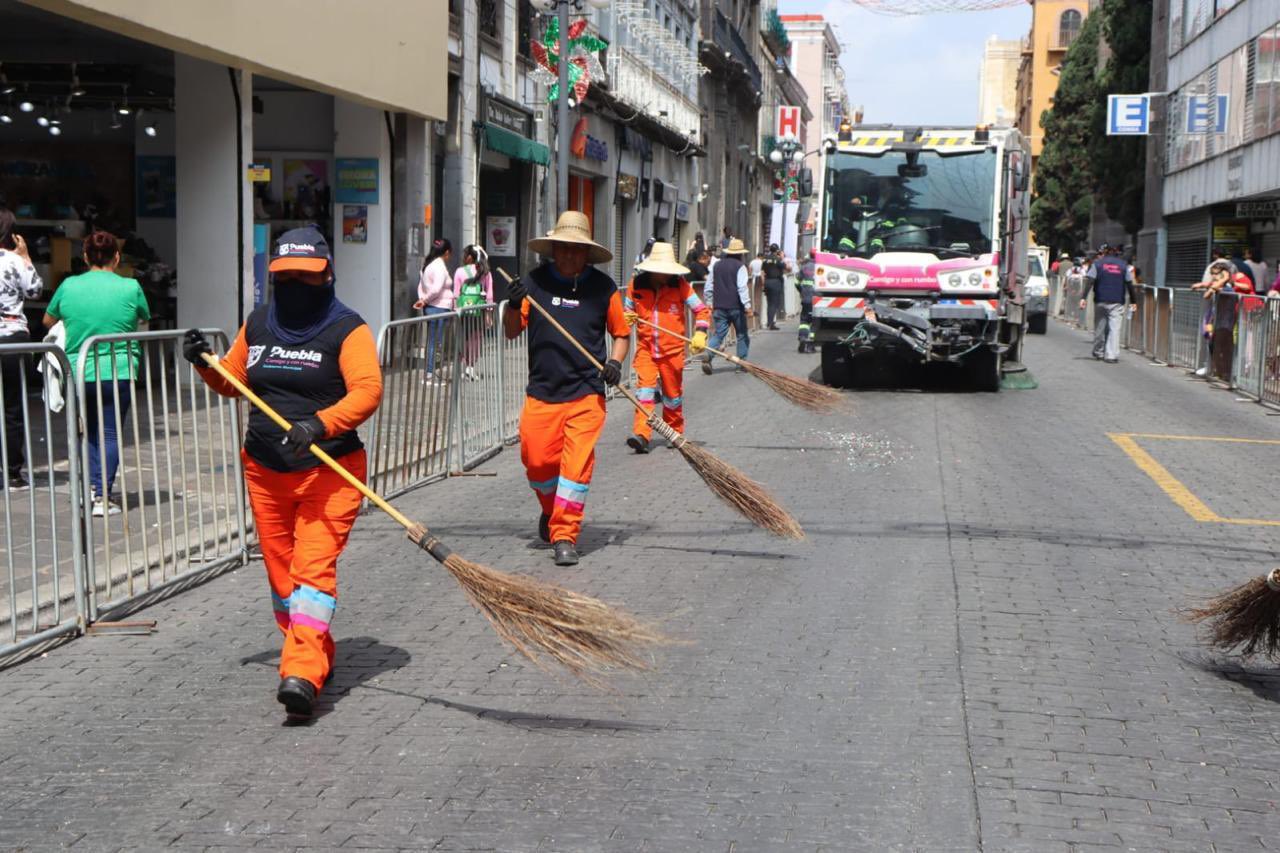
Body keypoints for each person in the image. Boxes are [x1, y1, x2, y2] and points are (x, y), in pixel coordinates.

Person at [182, 227, 382, 720]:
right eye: (285, 275)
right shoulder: (260, 323)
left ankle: (300, 674)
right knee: (283, 580)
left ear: (327, 274)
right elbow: (236, 381)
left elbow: (367, 390)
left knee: (312, 571)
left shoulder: (347, 329)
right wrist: (205, 365)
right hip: (265, 471)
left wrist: (319, 424)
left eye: (304, 275)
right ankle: (316, 653)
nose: (294, 283)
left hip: (330, 471)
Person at [502, 211, 630, 568]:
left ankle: (564, 535)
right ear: (553, 250)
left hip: (587, 395)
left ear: (586, 253)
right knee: (538, 463)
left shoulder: (603, 289)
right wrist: (513, 304)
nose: (569, 256)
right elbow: (512, 330)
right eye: (563, 249)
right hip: (542, 393)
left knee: (575, 469)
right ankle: (550, 509)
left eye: (576, 250)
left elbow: (621, 334)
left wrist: (616, 364)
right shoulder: (535, 283)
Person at [43, 230, 149, 515]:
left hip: (79, 371)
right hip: (119, 369)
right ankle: (103, 497)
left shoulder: (69, 285)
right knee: (111, 434)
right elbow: (143, 316)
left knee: (88, 432)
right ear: (117, 257)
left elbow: (47, 319)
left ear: (85, 256)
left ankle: (90, 490)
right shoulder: (130, 287)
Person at [621, 242, 709, 454]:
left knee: (672, 396)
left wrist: (700, 333)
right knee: (644, 393)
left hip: (673, 352)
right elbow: (626, 315)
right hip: (646, 350)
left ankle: (673, 432)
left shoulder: (679, 285)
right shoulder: (636, 285)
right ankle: (642, 435)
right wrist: (626, 319)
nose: (664, 275)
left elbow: (701, 310)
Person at [0, 207, 44, 491]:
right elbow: (35, 290)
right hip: (13, 338)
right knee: (13, 407)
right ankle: (13, 472)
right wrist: (26, 257)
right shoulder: (15, 260)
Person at [1079, 243, 1139, 364]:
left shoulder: (1097, 264)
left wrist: (1083, 298)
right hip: (1117, 301)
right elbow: (1129, 284)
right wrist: (1133, 301)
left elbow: (1090, 281)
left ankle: (1098, 351)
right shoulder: (1123, 266)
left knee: (1100, 327)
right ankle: (1111, 355)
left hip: (1100, 300)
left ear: (1104, 253)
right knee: (1114, 329)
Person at [700, 237, 753, 374]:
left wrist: (710, 302)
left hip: (719, 307)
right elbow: (742, 288)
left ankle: (708, 354)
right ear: (740, 254)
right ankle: (741, 364)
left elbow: (708, 287)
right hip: (736, 307)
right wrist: (747, 306)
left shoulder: (716, 266)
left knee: (719, 334)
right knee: (741, 334)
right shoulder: (740, 267)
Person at [414, 238, 453, 381]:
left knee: (433, 341)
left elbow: (421, 286)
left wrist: (423, 299)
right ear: (447, 252)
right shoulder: (439, 266)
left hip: (433, 307)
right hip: (439, 308)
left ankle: (431, 372)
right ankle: (431, 373)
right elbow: (436, 289)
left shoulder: (428, 264)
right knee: (437, 342)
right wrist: (424, 300)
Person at [452, 244, 493, 380]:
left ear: (470, 257)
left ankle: (463, 368)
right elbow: (489, 295)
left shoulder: (459, 271)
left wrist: (455, 310)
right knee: (476, 339)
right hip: (478, 311)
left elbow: (456, 294)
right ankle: (471, 368)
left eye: (465, 255)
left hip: (462, 312)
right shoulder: (485, 271)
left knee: (462, 338)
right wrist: (489, 313)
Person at [796, 248, 817, 353]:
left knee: (804, 321)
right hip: (818, 299)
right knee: (815, 321)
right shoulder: (821, 267)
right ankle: (810, 344)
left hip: (806, 298)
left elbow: (796, 281)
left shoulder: (804, 267)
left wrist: (801, 291)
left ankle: (803, 338)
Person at [762, 243, 787, 330]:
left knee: (769, 303)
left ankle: (770, 322)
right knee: (774, 304)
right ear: (777, 251)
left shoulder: (765, 259)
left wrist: (763, 283)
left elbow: (763, 272)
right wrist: (782, 258)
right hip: (776, 282)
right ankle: (770, 323)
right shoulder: (778, 259)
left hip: (767, 281)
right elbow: (787, 267)